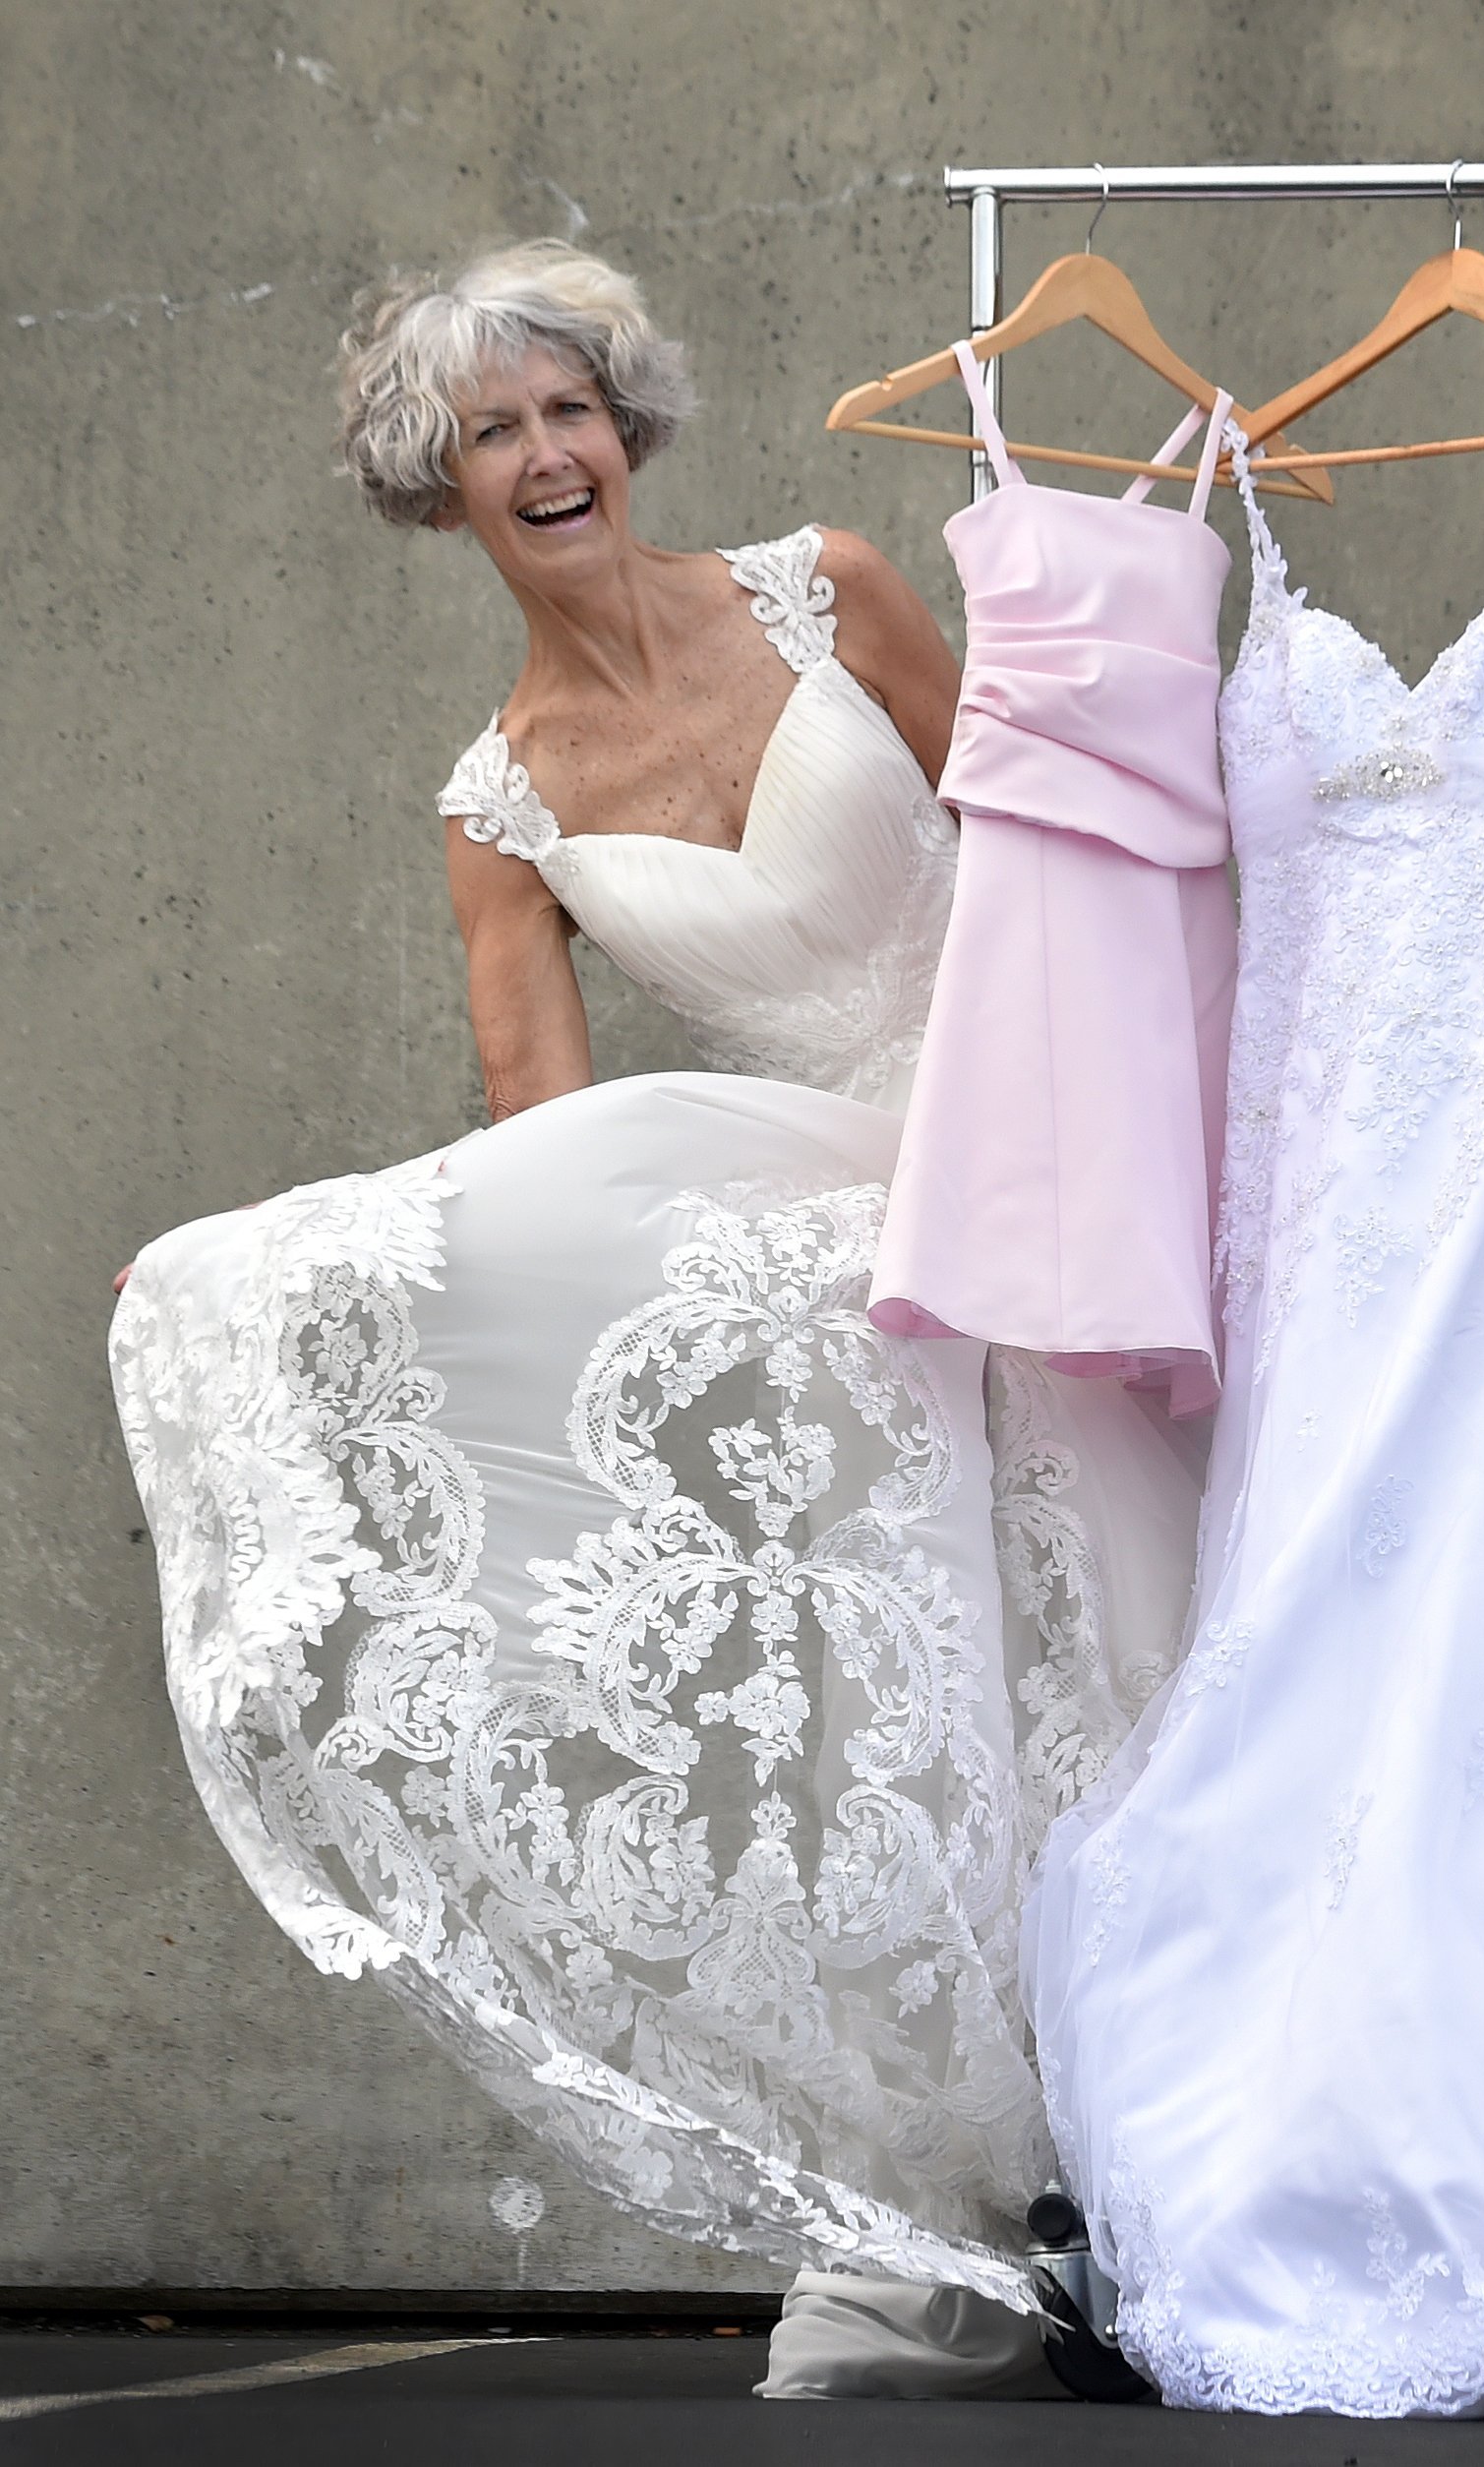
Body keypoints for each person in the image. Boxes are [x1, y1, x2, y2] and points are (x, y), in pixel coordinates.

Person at [107, 240, 1206, 2397]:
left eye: (566, 411)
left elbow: (1068, 848)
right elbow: (546, 1141)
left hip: (1048, 1150)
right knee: (925, 1741)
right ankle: (961, 2217)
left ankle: (1198, 2183)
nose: (542, 456)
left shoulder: (827, 585)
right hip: (832, 1247)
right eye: (488, 433)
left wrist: (1104, 1146)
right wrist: (255, 1281)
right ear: (439, 495)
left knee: (1140, 1679)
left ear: (630, 427)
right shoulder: (495, 804)